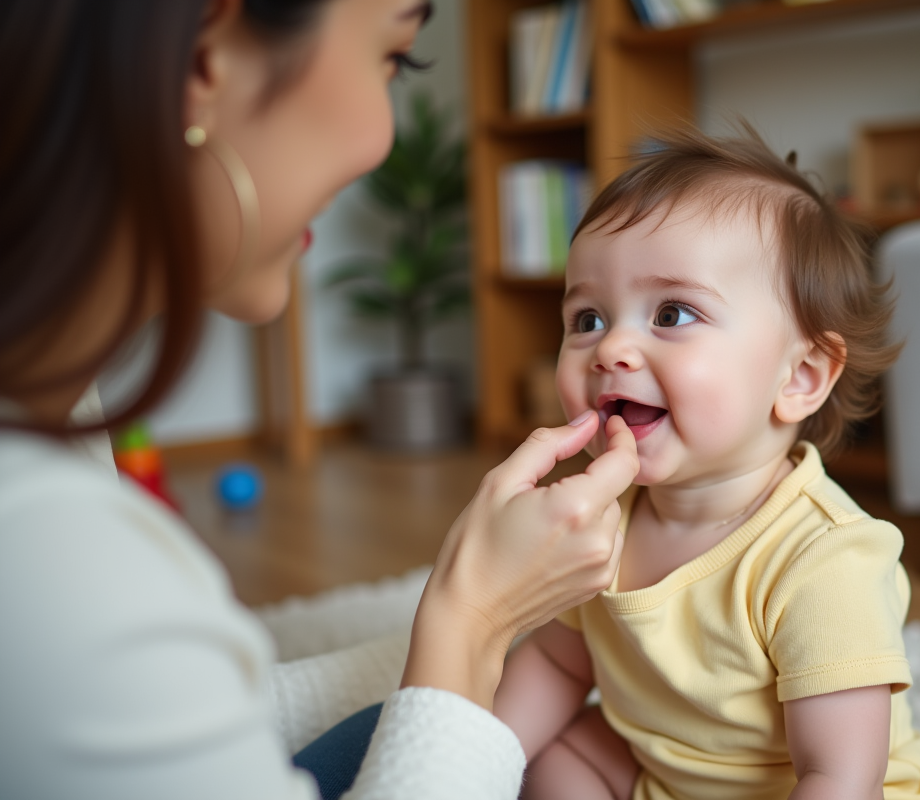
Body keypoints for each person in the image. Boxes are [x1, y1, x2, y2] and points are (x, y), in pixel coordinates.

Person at [0, 1, 639, 798]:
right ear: (205, 59)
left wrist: (467, 634)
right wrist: (470, 625)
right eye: (392, 58)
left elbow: (158, 721)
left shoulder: (50, 417)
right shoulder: (47, 549)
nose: (386, 139)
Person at [492, 127, 920, 800]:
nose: (611, 347)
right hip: (667, 768)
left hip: (804, 787)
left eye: (672, 313)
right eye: (587, 318)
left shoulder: (824, 558)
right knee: (554, 756)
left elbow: (840, 773)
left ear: (797, 379)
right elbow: (560, 667)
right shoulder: (598, 518)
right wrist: (473, 758)